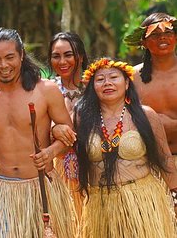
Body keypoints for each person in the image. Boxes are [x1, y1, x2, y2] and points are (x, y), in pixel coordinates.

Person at [0, 28, 78, 238]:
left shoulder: (45, 90)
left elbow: (69, 134)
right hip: (1, 190)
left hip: (41, 188)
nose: (3, 65)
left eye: (10, 57)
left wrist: (51, 152)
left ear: (21, 56)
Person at [73, 58, 177, 237]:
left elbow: (165, 158)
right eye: (100, 79)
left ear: (127, 83)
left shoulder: (146, 115)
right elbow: (59, 131)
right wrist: (56, 128)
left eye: (114, 77)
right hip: (101, 204)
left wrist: (175, 195)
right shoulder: (82, 119)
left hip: (142, 202)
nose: (107, 83)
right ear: (93, 87)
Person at [48, 31, 88, 218]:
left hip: (95, 168)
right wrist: (54, 129)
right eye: (56, 56)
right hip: (59, 168)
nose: (62, 61)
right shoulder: (46, 89)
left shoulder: (96, 86)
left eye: (68, 55)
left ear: (80, 56)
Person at [124, 13, 177, 157]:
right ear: (144, 42)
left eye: (168, 32)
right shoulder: (131, 77)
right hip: (148, 162)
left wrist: (171, 126)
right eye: (155, 34)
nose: (162, 37)